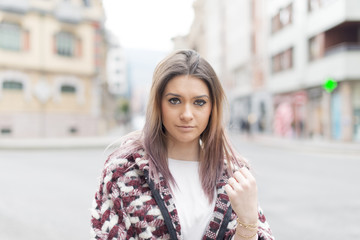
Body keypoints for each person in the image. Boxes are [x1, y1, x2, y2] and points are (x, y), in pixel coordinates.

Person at [90, 49, 274, 240]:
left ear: (212, 108)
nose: (187, 114)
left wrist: (248, 223)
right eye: (175, 100)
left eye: (199, 102)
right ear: (158, 104)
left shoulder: (234, 175)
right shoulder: (123, 171)